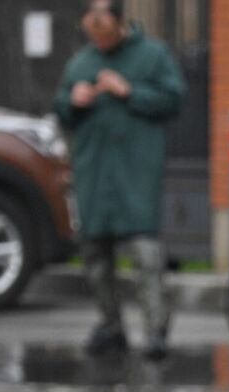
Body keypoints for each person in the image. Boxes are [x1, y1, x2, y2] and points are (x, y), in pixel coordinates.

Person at [52, 0, 185, 360]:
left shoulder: (152, 56)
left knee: (144, 252)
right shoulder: (81, 63)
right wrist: (73, 100)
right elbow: (61, 109)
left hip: (135, 172)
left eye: (104, 25)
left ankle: (155, 329)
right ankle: (111, 325)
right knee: (95, 253)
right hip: (93, 172)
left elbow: (173, 99)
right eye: (91, 27)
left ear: (120, 22)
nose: (98, 34)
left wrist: (129, 91)